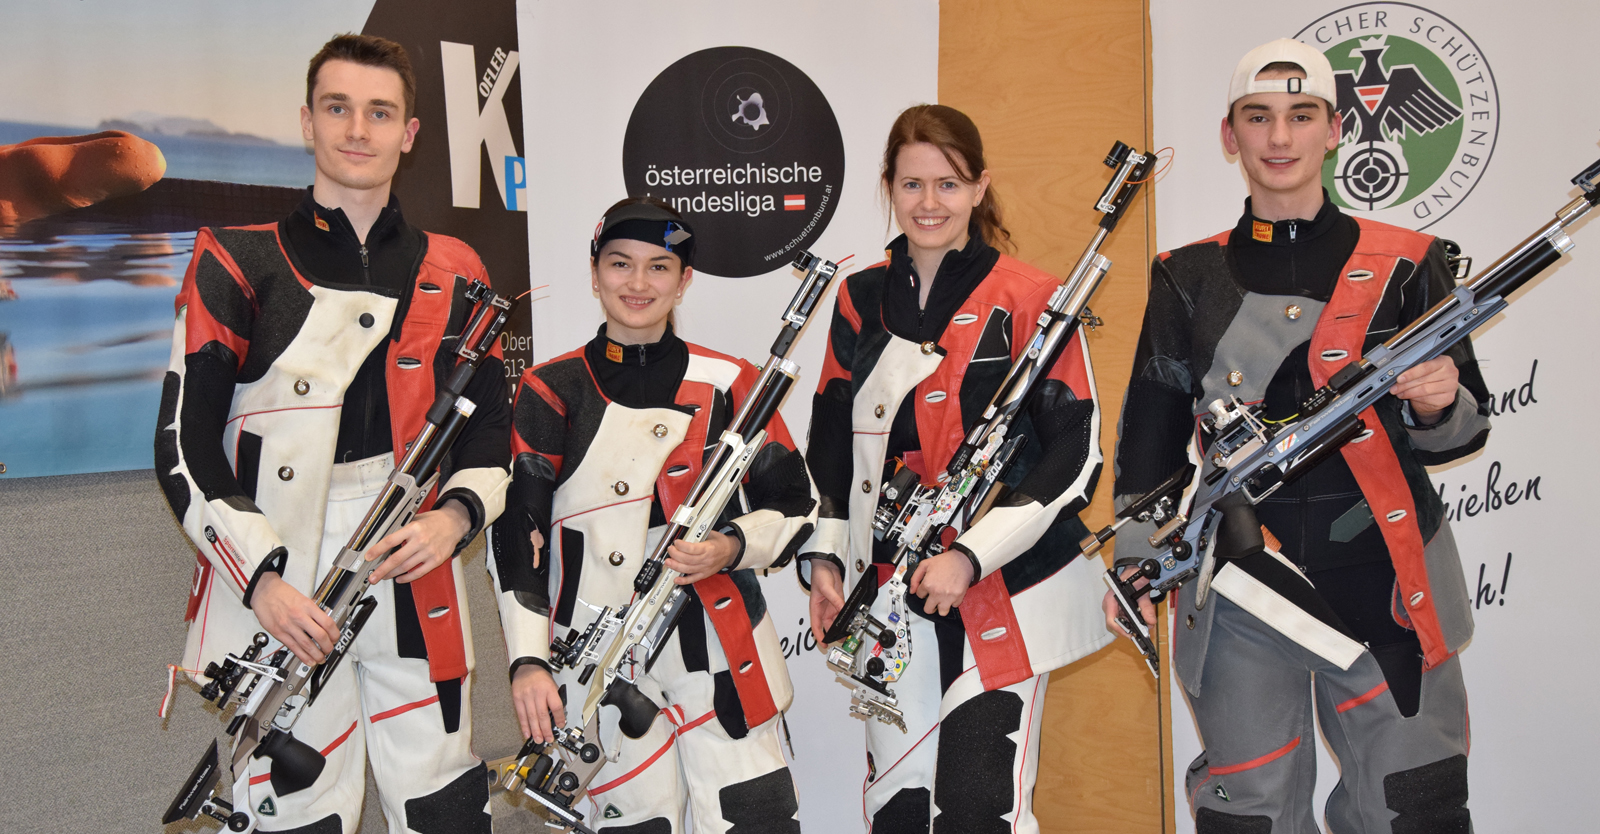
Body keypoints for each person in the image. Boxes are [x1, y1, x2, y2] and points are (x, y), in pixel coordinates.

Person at [1103, 38, 1491, 833]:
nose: (1279, 138)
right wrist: (1138, 558)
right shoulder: (1186, 275)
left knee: (1415, 808)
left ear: (1335, 129)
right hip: (1243, 585)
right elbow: (1151, 429)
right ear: (1229, 135)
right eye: (1259, 117)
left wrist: (1434, 401)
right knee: (1249, 814)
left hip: (1389, 580)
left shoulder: (1409, 263)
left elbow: (1459, 433)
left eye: (1301, 115)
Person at [156, 34, 509, 833]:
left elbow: (492, 430)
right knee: (299, 814)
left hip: (414, 559)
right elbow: (183, 444)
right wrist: (261, 582)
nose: (359, 129)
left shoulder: (457, 268)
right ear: (308, 122)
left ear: (409, 134)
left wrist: (453, 519)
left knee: (449, 803)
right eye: (339, 108)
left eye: (380, 112)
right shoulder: (236, 259)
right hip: (280, 573)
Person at [801, 104, 1111, 834]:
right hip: (887, 594)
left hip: (1003, 586)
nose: (929, 203)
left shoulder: (1034, 298)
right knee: (900, 805)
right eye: (912, 185)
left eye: (948, 184)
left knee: (981, 806)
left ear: (979, 187)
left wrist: (971, 555)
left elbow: (1077, 452)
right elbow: (829, 436)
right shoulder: (859, 297)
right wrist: (824, 558)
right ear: (888, 186)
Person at [489, 197, 817, 833]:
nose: (638, 284)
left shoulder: (733, 381)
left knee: (758, 820)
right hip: (599, 653)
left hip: (725, 643)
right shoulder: (550, 388)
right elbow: (517, 534)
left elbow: (797, 503)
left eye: (659, 267)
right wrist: (529, 660)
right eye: (620, 264)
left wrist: (729, 545)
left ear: (685, 279)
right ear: (593, 272)